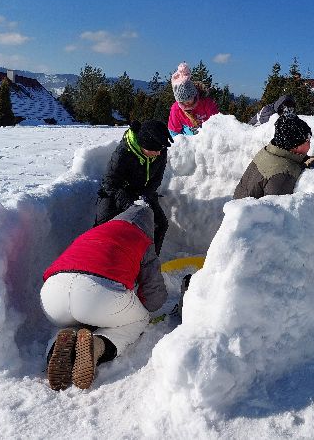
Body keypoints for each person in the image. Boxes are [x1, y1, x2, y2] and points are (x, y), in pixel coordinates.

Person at [41, 204, 167, 391]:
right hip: (97, 295)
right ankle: (98, 345)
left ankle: (55, 349)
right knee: (139, 319)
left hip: (52, 296)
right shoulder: (142, 239)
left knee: (73, 320)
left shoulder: (93, 232)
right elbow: (153, 298)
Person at [95, 120, 172, 255]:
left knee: (160, 224)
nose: (159, 153)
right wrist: (129, 204)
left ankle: (149, 259)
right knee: (104, 225)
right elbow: (109, 182)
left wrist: (145, 196)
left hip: (142, 192)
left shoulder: (160, 149)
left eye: (161, 149)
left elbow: (156, 179)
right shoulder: (123, 153)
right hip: (117, 192)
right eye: (155, 150)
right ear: (143, 145)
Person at [233, 113, 314, 199]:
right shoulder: (283, 176)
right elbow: (277, 210)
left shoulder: (270, 151)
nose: (310, 143)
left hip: (237, 204)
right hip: (249, 212)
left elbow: (287, 160)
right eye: (308, 140)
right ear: (295, 145)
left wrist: (307, 161)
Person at [168, 62, 220, 137]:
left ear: (194, 95)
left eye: (189, 98)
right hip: (188, 141)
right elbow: (174, 132)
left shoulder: (206, 103)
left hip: (208, 137)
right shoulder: (176, 109)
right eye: (183, 101)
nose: (187, 103)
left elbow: (216, 122)